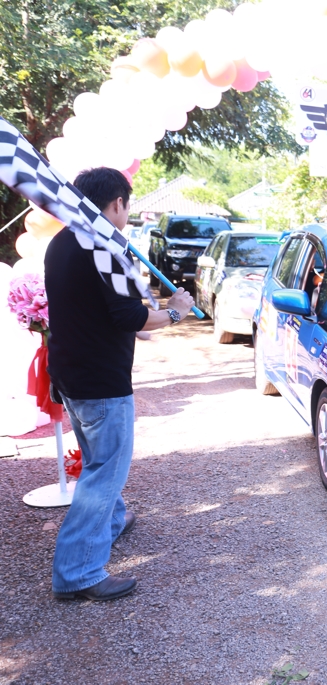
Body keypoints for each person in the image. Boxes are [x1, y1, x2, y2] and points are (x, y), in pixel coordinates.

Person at [46, 167, 195, 601]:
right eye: (127, 205)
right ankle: (77, 572)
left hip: (71, 373)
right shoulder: (103, 246)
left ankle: (111, 522)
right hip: (100, 381)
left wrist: (143, 315)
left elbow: (90, 309)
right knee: (104, 472)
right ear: (117, 203)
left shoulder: (63, 241)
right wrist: (176, 310)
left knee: (99, 460)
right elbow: (129, 316)